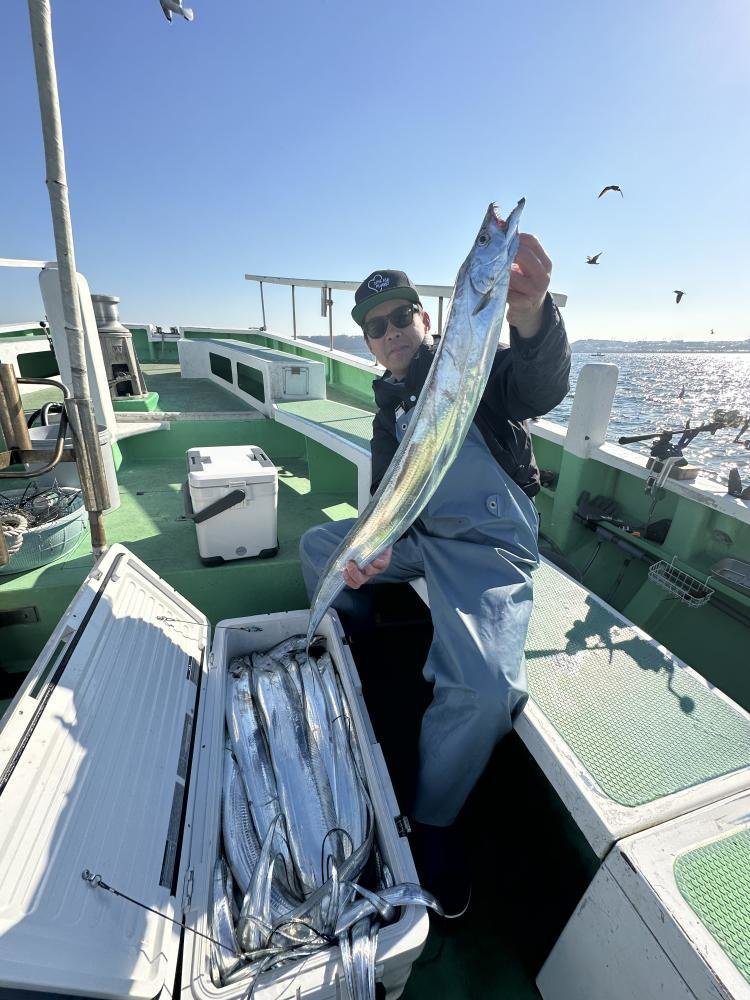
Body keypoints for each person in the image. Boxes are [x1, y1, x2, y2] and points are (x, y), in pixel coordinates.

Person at [300, 231, 570, 915]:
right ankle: (355, 660)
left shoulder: (475, 369)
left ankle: (433, 823)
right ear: (368, 343)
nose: (390, 332)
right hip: (421, 535)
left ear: (426, 319)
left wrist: (533, 316)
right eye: (375, 327)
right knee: (320, 548)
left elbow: (538, 384)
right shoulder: (388, 408)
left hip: (487, 543)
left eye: (400, 317)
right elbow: (386, 497)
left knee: (484, 691)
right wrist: (377, 548)